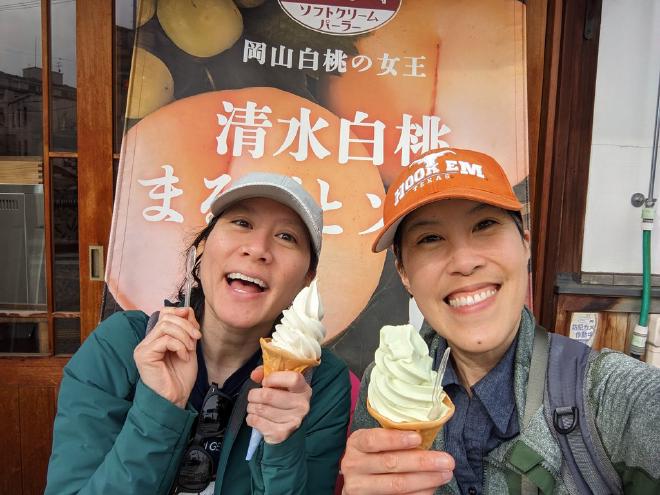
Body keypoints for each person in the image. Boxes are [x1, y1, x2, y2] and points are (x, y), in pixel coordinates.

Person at [341, 148, 660, 495]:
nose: (463, 260)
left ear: (525, 244)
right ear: (404, 273)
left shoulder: (609, 395)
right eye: (430, 238)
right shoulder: (386, 384)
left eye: (485, 225)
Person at [45, 172, 350, 495]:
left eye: (287, 237)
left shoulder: (318, 384)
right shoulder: (120, 347)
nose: (257, 248)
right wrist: (158, 408)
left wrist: (281, 447)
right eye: (242, 223)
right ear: (202, 247)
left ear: (307, 277)